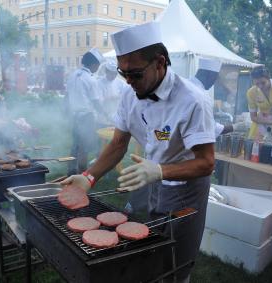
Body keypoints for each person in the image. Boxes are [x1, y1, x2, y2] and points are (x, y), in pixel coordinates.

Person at [62, 22, 215, 283]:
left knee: (178, 257)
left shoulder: (193, 101)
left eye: (134, 74)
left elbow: (206, 162)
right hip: (152, 179)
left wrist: (161, 170)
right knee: (155, 246)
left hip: (187, 189)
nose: (129, 82)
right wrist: (89, 176)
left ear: (160, 62)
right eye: (123, 74)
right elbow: (118, 143)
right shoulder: (130, 94)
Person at [66, 48, 109, 175]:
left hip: (74, 115)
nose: (98, 68)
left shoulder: (73, 75)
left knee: (75, 145)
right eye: (98, 66)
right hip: (86, 116)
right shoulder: (91, 79)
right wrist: (105, 114)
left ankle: (71, 171)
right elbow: (96, 102)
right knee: (84, 148)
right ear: (94, 65)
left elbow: (67, 96)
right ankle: (82, 175)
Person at [190, 58, 246, 136]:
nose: (213, 83)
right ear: (210, 75)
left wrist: (166, 138)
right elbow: (211, 127)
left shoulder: (185, 84)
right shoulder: (201, 96)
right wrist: (235, 127)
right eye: (214, 78)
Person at [96, 61, 128, 125]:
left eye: (115, 73)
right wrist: (112, 97)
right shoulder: (99, 83)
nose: (113, 75)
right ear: (106, 71)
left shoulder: (120, 83)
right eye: (111, 73)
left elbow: (126, 95)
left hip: (117, 116)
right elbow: (98, 100)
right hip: (104, 116)